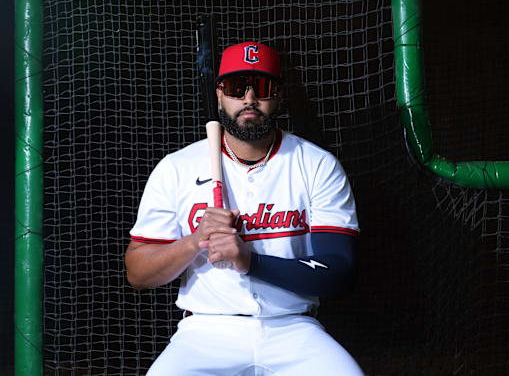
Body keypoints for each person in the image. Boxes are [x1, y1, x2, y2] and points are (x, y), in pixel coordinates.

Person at [125, 42, 364, 375]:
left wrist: (249, 261)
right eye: (238, 88)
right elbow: (137, 274)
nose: (249, 99)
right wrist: (195, 241)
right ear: (220, 95)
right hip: (205, 331)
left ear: (279, 96)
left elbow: (340, 272)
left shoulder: (316, 164)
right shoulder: (176, 167)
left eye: (262, 87)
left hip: (293, 328)